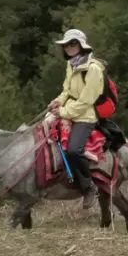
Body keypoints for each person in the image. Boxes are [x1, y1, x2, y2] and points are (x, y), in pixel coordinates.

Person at [47, 28, 105, 208]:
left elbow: (86, 101)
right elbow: (67, 91)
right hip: (70, 111)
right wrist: (57, 102)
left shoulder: (93, 69)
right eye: (66, 45)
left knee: (73, 150)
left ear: (81, 45)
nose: (69, 47)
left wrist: (63, 112)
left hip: (85, 116)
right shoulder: (71, 65)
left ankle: (88, 187)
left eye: (73, 43)